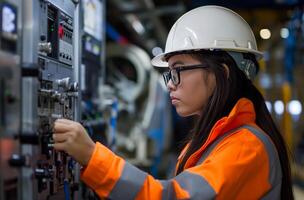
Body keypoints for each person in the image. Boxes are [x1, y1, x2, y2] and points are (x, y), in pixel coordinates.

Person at [53, 5, 294, 199]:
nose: (170, 83)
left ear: (222, 72)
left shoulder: (246, 147)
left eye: (178, 69)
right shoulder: (216, 139)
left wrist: (92, 157)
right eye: (169, 73)